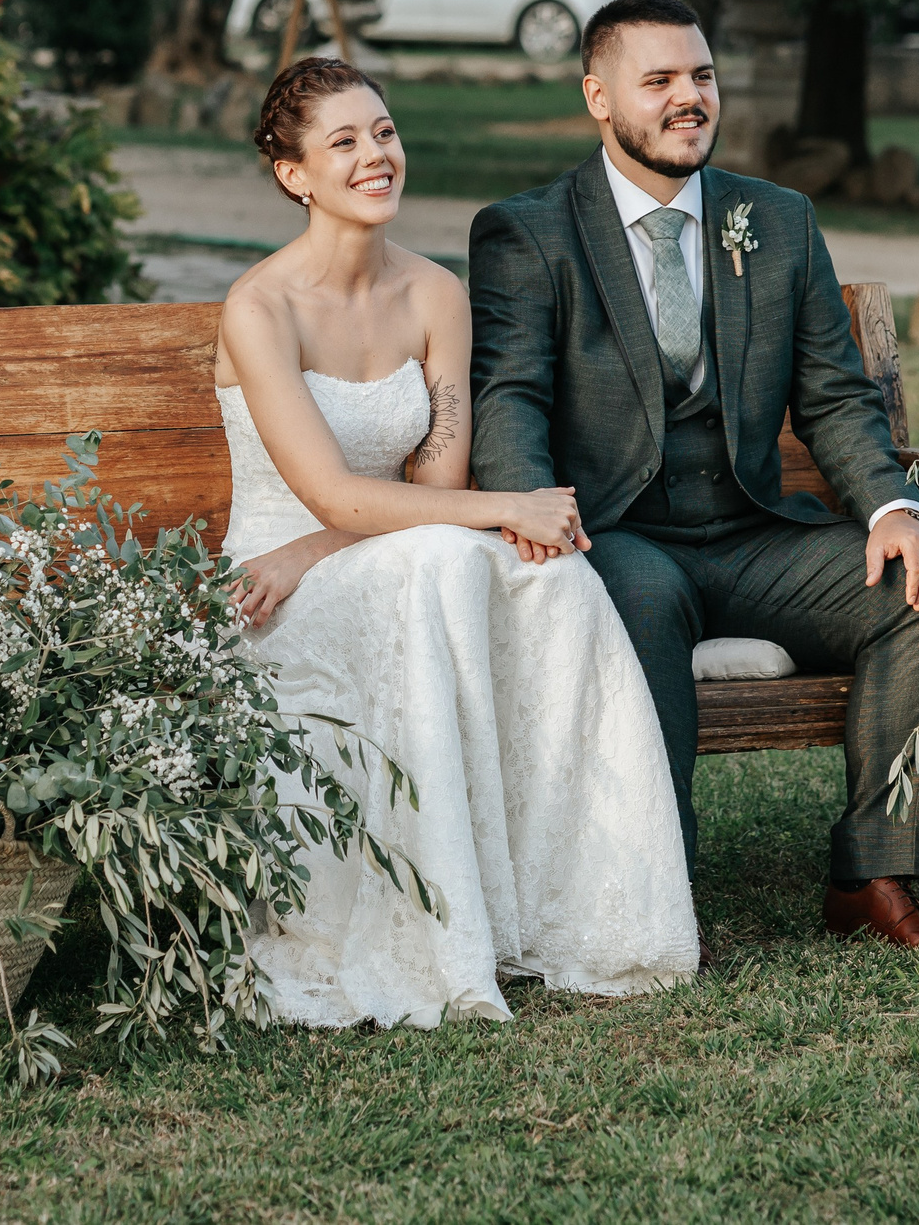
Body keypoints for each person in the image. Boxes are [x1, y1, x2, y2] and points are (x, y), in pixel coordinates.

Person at [466, 0, 919, 959]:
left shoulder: (775, 220)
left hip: (750, 531)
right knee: (645, 607)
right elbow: (509, 395)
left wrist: (893, 506)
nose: (687, 98)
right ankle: (655, 898)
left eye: (700, 76)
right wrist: (523, 504)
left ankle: (872, 875)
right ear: (598, 95)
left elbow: (834, 397)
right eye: (657, 80)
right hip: (615, 532)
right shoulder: (529, 232)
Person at [215, 55, 701, 1028]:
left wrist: (500, 520)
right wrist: (504, 506)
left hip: (368, 554)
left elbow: (430, 487)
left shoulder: (435, 293)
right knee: (461, 552)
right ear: (293, 175)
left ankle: (587, 910)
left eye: (383, 133)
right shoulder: (259, 309)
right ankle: (431, 926)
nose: (374, 156)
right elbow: (329, 493)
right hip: (277, 592)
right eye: (343, 142)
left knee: (551, 578)